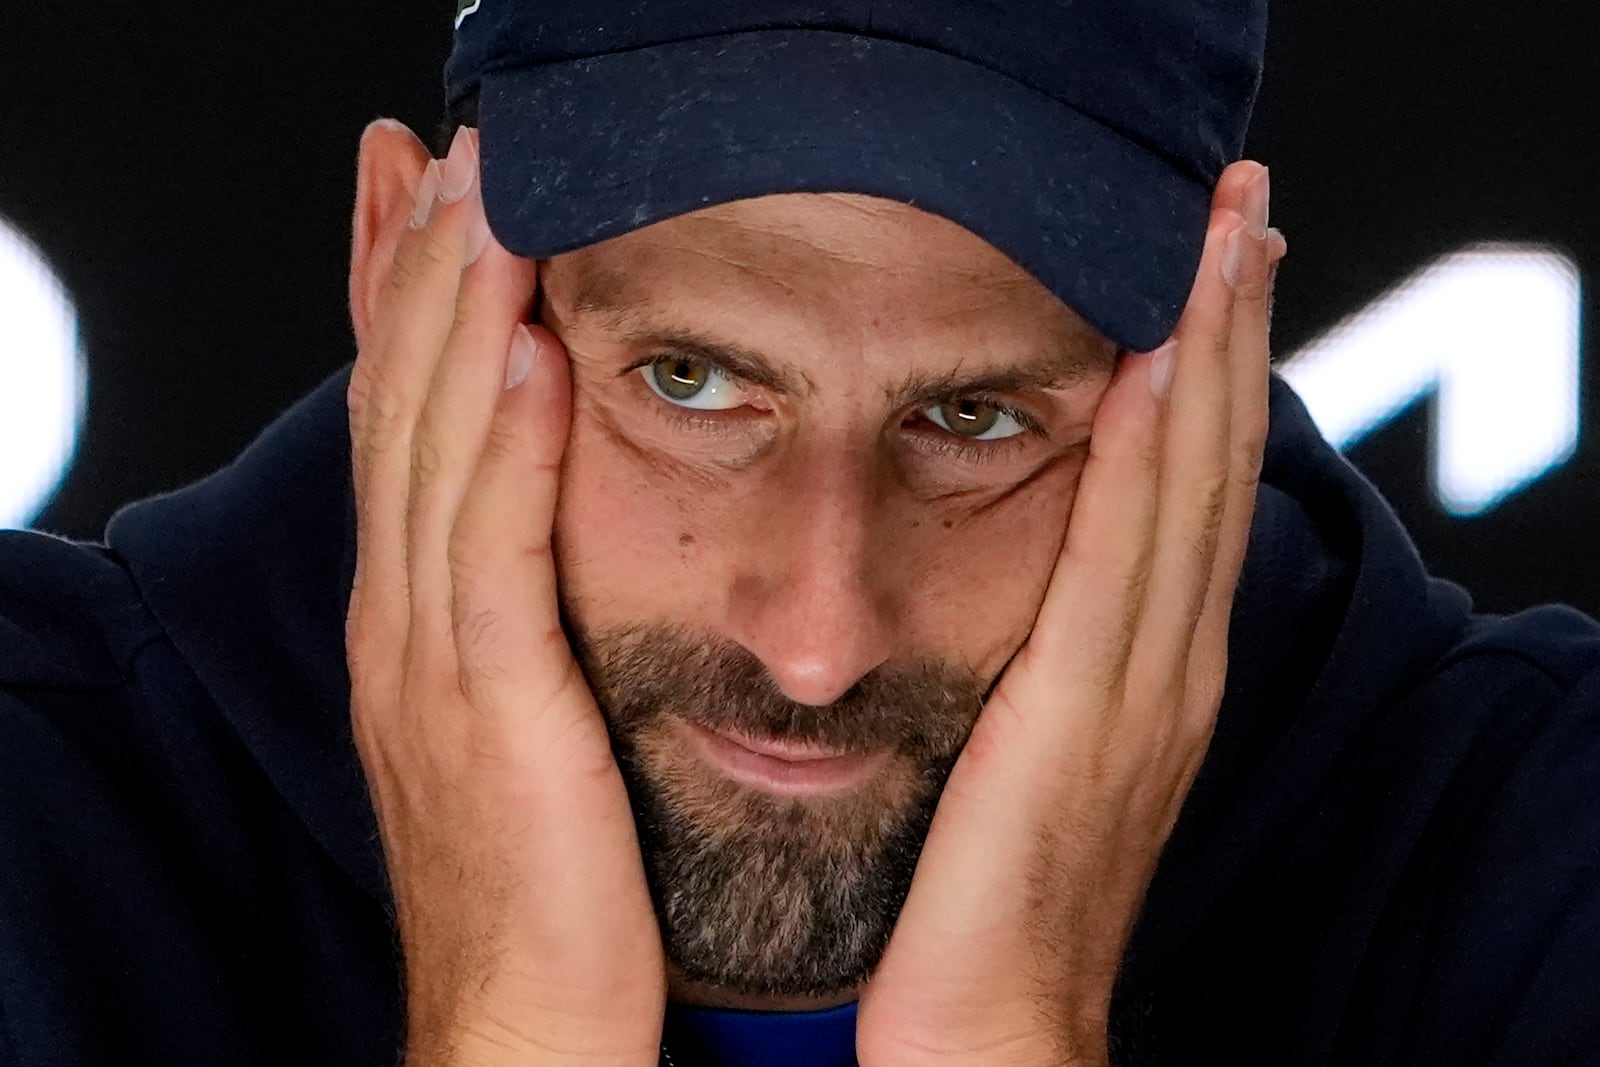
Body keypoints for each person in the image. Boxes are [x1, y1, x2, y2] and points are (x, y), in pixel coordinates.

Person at [2, 3, 1597, 1066]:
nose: (818, 638)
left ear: (1214, 376)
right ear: (397, 264)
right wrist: (517, 1021)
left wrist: (1013, 1026)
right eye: (691, 384)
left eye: (975, 418)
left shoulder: (1542, 852)